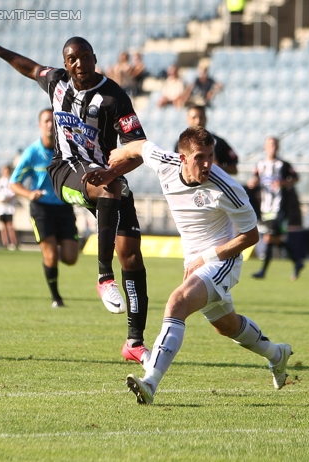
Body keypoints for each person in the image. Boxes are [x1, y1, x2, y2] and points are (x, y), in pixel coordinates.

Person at [0, 32, 151, 365]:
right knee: (110, 190)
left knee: (133, 256)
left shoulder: (113, 97)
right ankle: (103, 277)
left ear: (95, 58)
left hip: (107, 175)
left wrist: (111, 172)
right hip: (65, 171)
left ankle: (135, 342)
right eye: (72, 59)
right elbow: (27, 67)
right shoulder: (57, 82)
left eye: (85, 56)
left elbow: (139, 149)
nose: (79, 63)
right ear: (66, 63)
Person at [94, 126, 292, 405]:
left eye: (211, 155)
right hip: (195, 262)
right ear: (183, 158)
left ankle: (150, 382)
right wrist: (119, 155)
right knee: (226, 325)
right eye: (200, 157)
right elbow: (141, 146)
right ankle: (276, 354)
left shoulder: (228, 189)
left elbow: (251, 236)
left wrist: (207, 257)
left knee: (177, 302)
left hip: (222, 260)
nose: (208, 163)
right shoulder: (165, 164)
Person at [9, 108, 80, 308]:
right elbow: (14, 182)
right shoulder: (32, 153)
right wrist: (30, 194)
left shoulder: (66, 150)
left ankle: (52, 252)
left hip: (64, 208)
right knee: (50, 256)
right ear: (40, 125)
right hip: (42, 210)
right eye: (46, 121)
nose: (50, 124)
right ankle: (56, 298)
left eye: (53, 121)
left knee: (70, 257)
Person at [248, 137, 304, 280]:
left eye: (274, 145)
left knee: (269, 238)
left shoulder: (283, 165)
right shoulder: (260, 164)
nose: (272, 147)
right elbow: (256, 178)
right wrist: (253, 182)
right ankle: (297, 262)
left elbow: (296, 178)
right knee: (276, 240)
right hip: (265, 207)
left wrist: (283, 183)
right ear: (265, 147)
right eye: (269, 145)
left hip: (279, 207)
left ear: (277, 147)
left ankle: (263, 272)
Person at [174, 105, 238, 174]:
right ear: (187, 119)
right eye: (194, 118)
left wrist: (217, 168)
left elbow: (234, 170)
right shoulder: (181, 143)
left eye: (201, 117)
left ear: (206, 118)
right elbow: (176, 168)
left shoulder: (218, 142)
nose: (197, 121)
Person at [0, 164, 18, 250]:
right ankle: (5, 243)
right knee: (3, 226)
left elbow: (15, 192)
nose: (5, 172)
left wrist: (7, 199)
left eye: (7, 170)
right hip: (1, 208)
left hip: (9, 208)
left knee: (10, 225)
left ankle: (14, 243)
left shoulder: (12, 181)